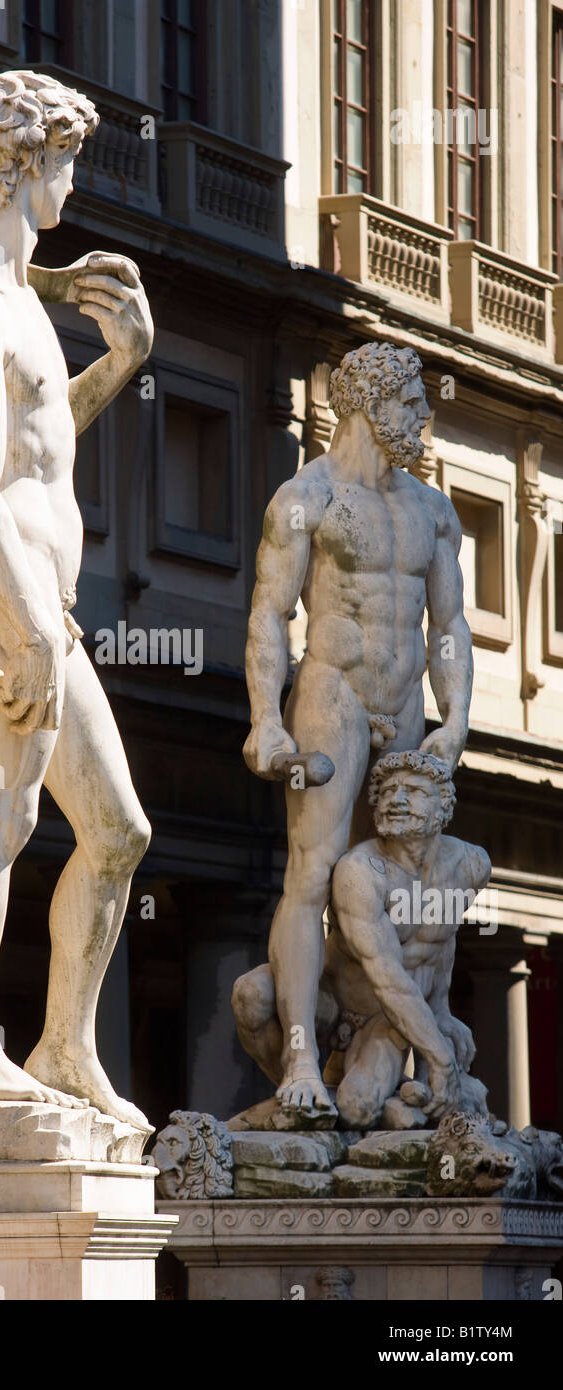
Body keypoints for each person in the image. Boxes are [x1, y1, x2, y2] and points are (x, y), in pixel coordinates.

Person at [0, 71, 154, 1126]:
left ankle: (63, 1045)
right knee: (1, 815)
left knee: (116, 832)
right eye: (63, 159)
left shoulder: (20, 295)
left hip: (44, 607)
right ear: (20, 164)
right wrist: (22, 627)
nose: (73, 179)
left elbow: (43, 454)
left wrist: (124, 359)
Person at [239, 343, 473, 1122]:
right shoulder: (306, 496)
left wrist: (457, 719)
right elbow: (271, 614)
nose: (423, 419)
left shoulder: (433, 511)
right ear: (370, 404)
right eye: (411, 405)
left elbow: (450, 626)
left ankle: (397, 1043)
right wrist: (267, 720)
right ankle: (302, 1052)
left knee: (406, 883)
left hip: (406, 706)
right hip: (331, 695)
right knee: (312, 872)